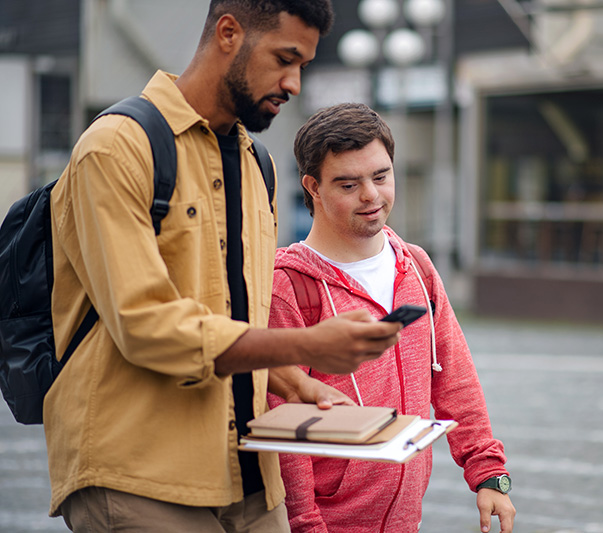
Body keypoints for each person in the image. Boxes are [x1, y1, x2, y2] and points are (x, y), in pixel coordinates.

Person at [46, 2, 401, 532]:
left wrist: (293, 382)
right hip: (139, 475)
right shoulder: (116, 148)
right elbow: (145, 326)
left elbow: (232, 314)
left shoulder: (258, 164)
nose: (295, 83)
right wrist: (306, 346)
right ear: (229, 33)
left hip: (251, 472)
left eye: (302, 64)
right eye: (285, 59)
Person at [267, 103, 516, 533]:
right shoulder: (287, 285)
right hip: (326, 522)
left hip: (405, 519)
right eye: (349, 184)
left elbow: (453, 376)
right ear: (312, 187)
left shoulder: (415, 265)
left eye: (381, 176)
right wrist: (306, 523)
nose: (371, 195)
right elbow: (285, 426)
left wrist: (488, 472)